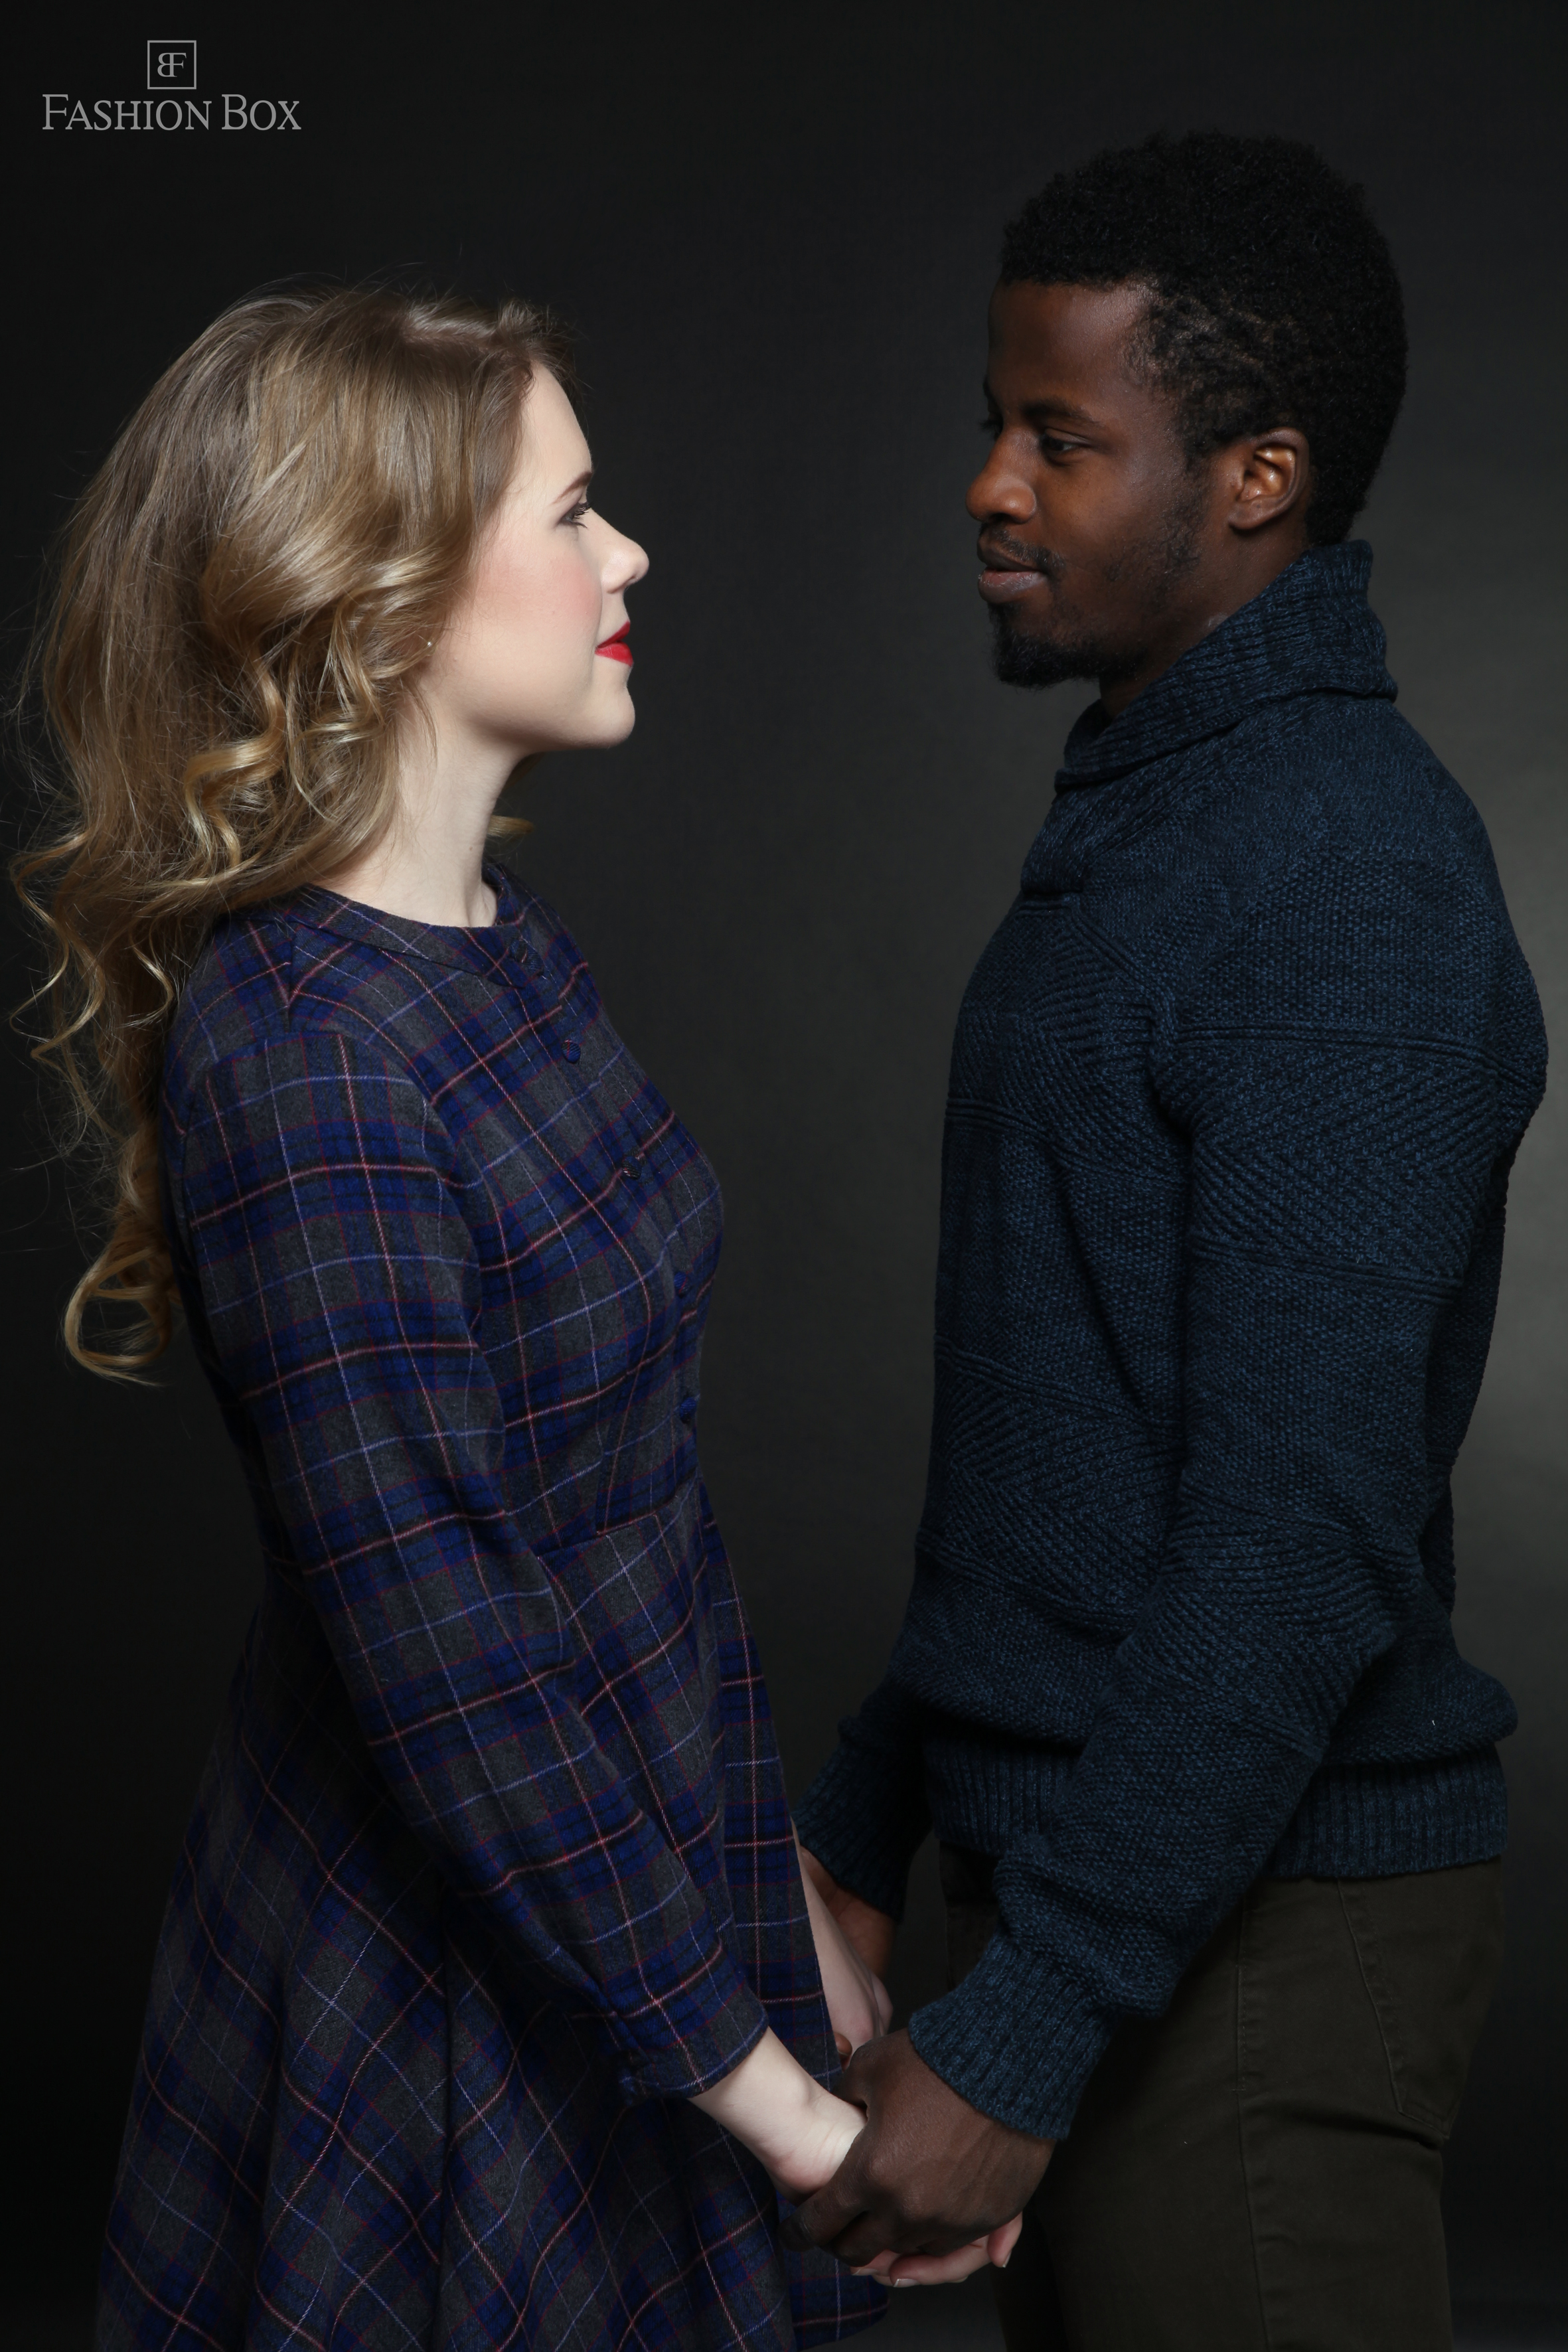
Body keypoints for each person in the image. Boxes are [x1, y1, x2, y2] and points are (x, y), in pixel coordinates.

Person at [16, 283, 998, 2350]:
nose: (627, 553)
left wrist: (770, 1893)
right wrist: (779, 2109)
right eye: (567, 512)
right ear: (376, 600)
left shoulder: (498, 950)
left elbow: (623, 1503)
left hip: (635, 1869)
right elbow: (450, 1656)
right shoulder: (310, 1058)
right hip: (451, 1948)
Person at [789, 132, 1548, 2352]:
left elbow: (1292, 1538)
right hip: (1091, 1900)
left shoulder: (1342, 877)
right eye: (992, 422)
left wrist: (1036, 2023)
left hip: (1255, 1962)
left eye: (1060, 437)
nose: (987, 486)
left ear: (1255, 477)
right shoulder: (1165, 814)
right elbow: (1072, 1442)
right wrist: (872, 1810)